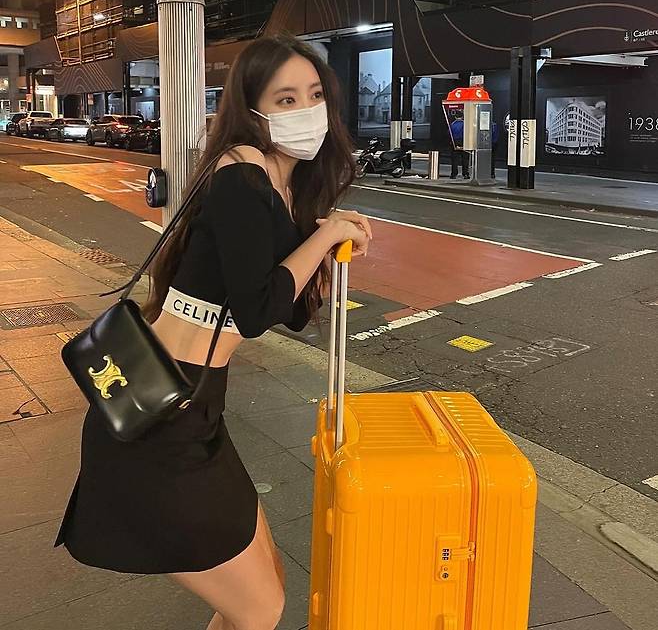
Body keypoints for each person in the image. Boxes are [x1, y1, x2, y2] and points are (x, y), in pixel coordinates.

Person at [55, 35, 373, 630]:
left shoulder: (284, 187)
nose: (307, 110)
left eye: (315, 95)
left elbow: (286, 310)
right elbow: (255, 312)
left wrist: (320, 245)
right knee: (260, 608)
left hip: (198, 406)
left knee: (265, 587)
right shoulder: (241, 174)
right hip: (161, 415)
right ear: (252, 110)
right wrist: (326, 238)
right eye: (285, 99)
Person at [449, 114, 470, 179]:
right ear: (462, 117)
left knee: (454, 160)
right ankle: (465, 174)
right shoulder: (465, 124)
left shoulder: (452, 124)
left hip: (454, 142)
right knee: (465, 159)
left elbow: (449, 134)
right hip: (464, 141)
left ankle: (454, 174)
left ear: (455, 117)